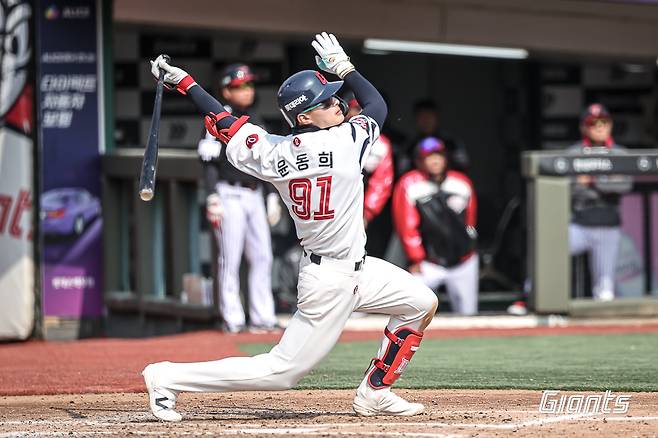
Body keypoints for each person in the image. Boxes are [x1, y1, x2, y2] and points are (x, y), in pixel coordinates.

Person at [142, 32, 438, 422]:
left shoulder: (273, 150)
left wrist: (186, 83)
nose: (338, 104)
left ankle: (375, 392)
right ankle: (167, 377)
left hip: (357, 269)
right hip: (328, 281)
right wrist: (345, 67)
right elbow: (376, 104)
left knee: (420, 302)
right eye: (327, 102)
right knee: (281, 371)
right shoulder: (346, 141)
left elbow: (224, 122)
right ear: (304, 116)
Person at [197, 63, 281, 334]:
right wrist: (212, 195)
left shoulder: (255, 118)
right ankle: (232, 318)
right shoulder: (218, 119)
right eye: (240, 86)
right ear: (226, 91)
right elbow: (208, 160)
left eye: (249, 85)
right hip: (229, 192)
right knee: (230, 258)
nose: (247, 90)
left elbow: (265, 162)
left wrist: (271, 196)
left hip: (255, 193)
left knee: (263, 256)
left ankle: (262, 317)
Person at [393, 137, 478, 315]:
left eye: (439, 155)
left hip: (463, 260)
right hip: (428, 263)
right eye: (428, 156)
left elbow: (470, 221)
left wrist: (470, 246)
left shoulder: (461, 182)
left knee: (468, 316)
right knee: (414, 311)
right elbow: (406, 227)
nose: (435, 160)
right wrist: (415, 258)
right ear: (418, 161)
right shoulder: (409, 184)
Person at [567, 103, 632, 301]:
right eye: (593, 123)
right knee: (548, 248)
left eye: (603, 122)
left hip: (607, 224)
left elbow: (625, 185)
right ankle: (530, 293)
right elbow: (569, 188)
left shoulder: (620, 153)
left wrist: (593, 180)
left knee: (605, 289)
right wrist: (606, 181)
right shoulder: (574, 153)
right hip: (579, 222)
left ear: (610, 125)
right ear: (583, 127)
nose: (599, 127)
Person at [344, 95, 395, 257]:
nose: (360, 113)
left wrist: (367, 213)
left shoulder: (380, 143)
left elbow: (382, 182)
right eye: (356, 108)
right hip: (334, 208)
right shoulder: (332, 135)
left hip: (366, 211)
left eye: (363, 109)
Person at [400, 99, 470, 175]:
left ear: (437, 117)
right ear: (416, 119)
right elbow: (403, 171)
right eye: (422, 116)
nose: (426, 120)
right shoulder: (409, 146)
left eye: (429, 116)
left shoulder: (450, 143)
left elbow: (462, 166)